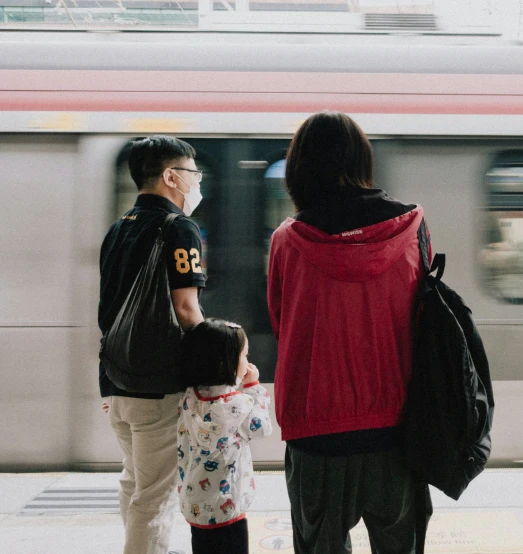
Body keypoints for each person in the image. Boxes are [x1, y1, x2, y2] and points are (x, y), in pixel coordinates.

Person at [267, 111, 432, 554]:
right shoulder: (412, 229)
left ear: (299, 167)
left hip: (314, 427)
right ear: (363, 161)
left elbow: (282, 323)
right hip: (396, 426)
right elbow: (423, 322)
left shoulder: (288, 240)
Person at [98, 135, 206, 554]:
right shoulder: (180, 228)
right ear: (170, 176)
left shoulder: (117, 227)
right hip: (157, 386)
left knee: (135, 481)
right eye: (194, 174)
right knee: (155, 497)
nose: (197, 183)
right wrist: (232, 358)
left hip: (116, 381)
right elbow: (186, 309)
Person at [177, 318, 272, 554]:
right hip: (228, 506)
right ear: (226, 362)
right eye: (244, 356)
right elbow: (261, 428)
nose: (247, 361)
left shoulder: (191, 397)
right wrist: (253, 387)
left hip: (195, 502)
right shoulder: (237, 405)